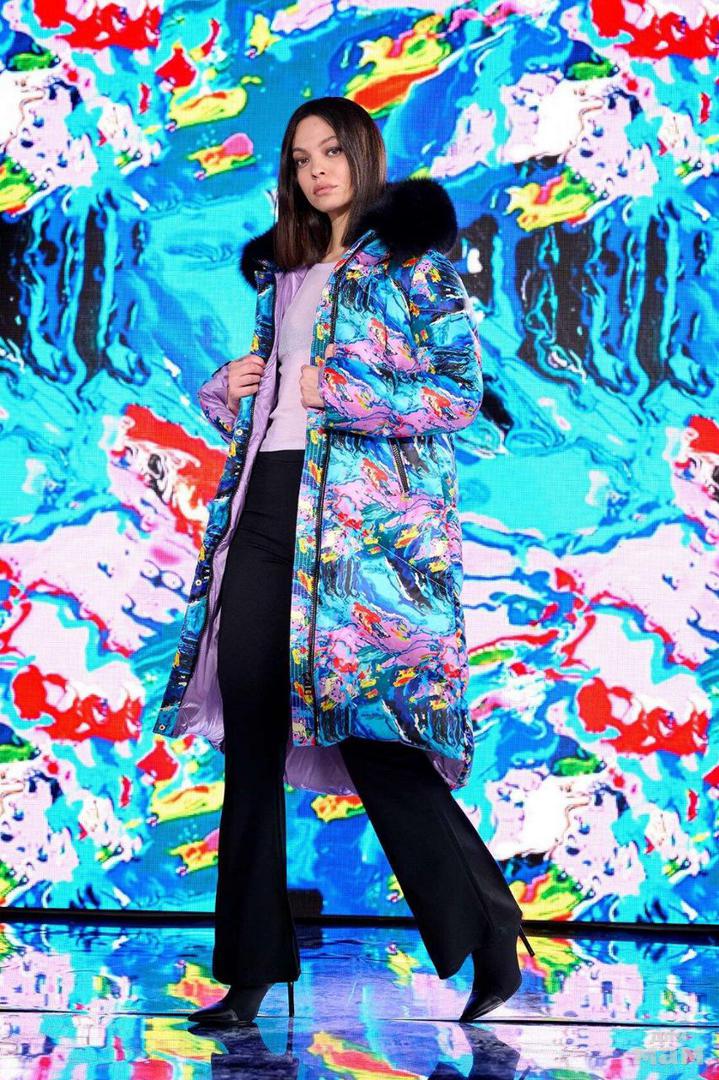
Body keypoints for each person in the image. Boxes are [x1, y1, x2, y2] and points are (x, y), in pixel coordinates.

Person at [153, 96, 534, 1025]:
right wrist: (227, 389)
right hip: (265, 506)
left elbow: (458, 396)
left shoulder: (412, 266)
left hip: (361, 537)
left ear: (363, 156)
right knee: (251, 736)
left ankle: (487, 929)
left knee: (372, 734)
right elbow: (273, 401)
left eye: (330, 151)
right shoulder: (280, 275)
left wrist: (347, 390)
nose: (316, 169)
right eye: (299, 158)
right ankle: (249, 975)